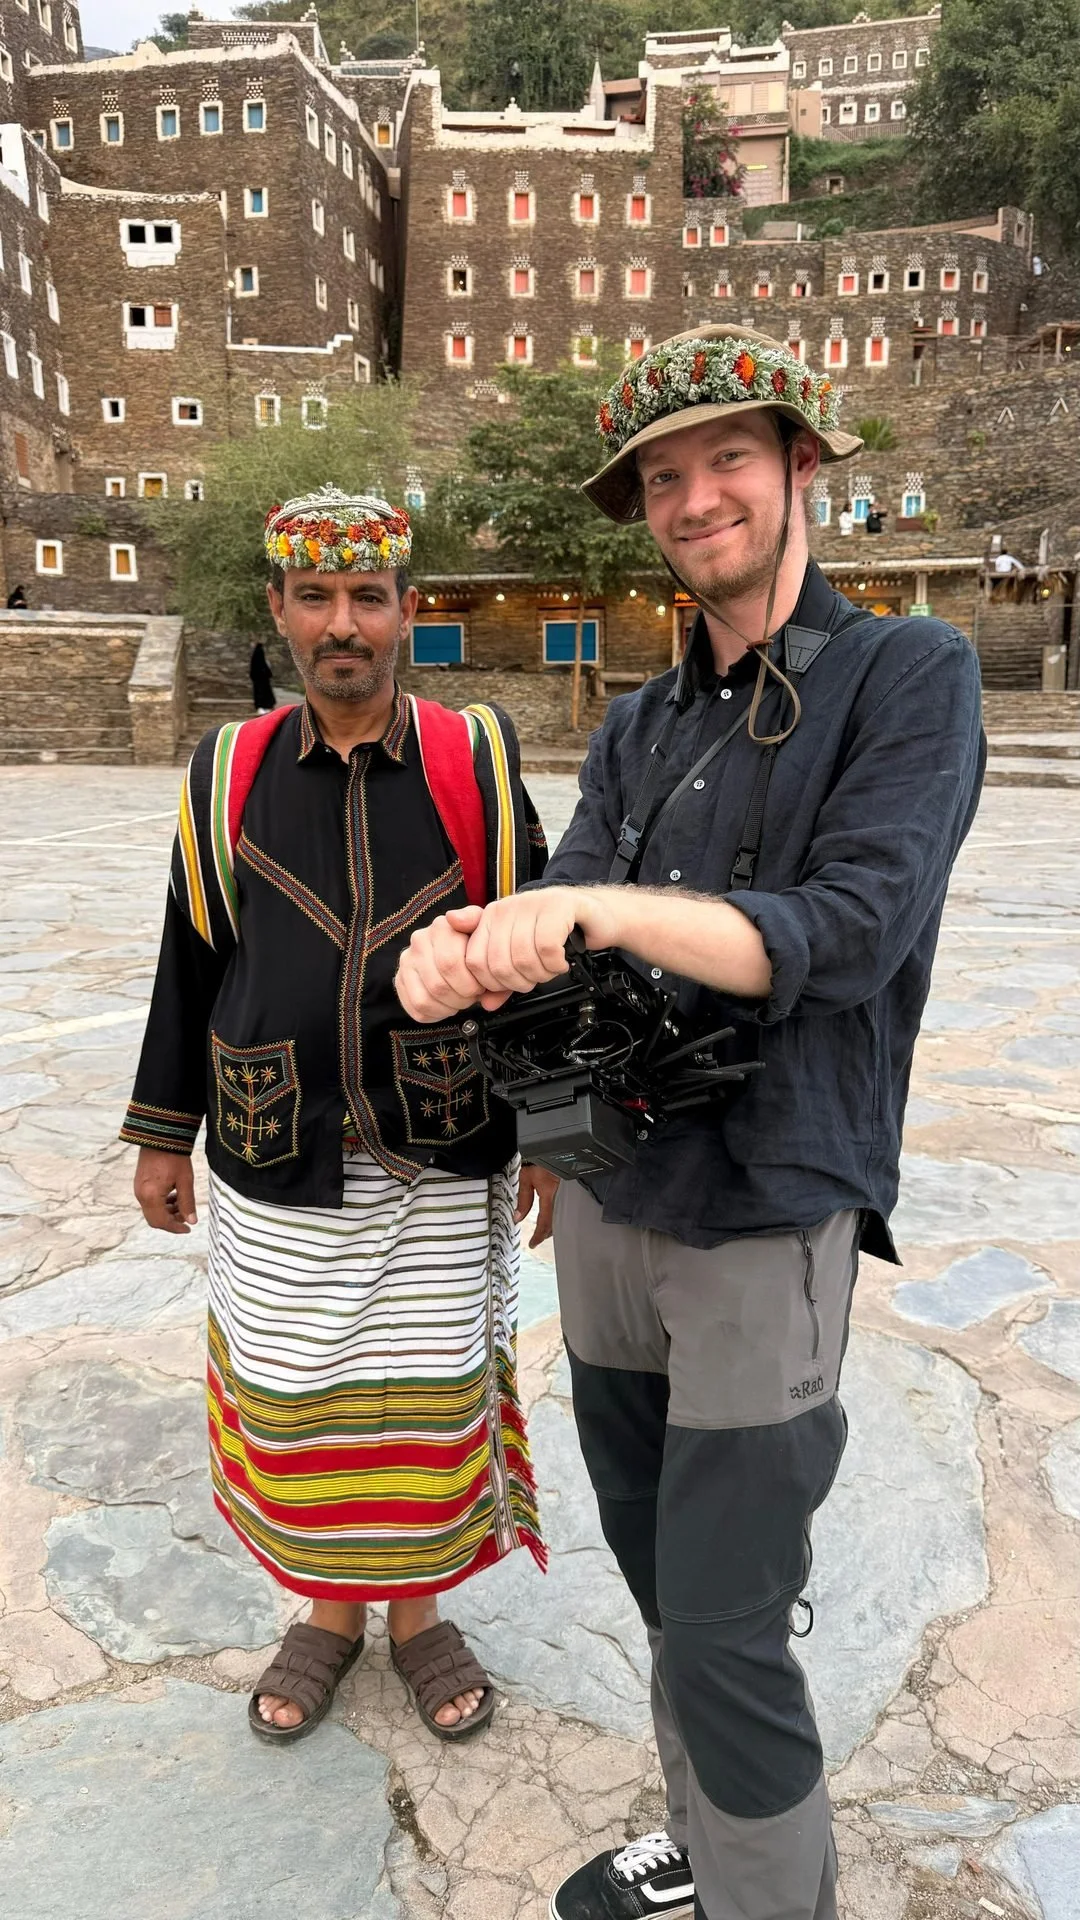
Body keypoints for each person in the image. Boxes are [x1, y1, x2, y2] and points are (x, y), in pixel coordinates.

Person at [395, 326, 985, 1920]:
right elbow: (570, 913)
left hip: (764, 1213)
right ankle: (711, 1843)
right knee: (666, 1586)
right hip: (610, 1202)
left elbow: (845, 933)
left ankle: (765, 1901)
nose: (696, 496)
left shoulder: (908, 674)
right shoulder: (651, 721)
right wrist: (466, 954)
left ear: (802, 466)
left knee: (729, 1620)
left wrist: (594, 907)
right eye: (665, 476)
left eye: (728, 458)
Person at [121, 485, 555, 1747]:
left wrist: (558, 1138)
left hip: (443, 1151)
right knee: (293, 1394)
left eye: (369, 597)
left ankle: (416, 1615)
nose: (343, 623)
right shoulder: (226, 773)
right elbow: (190, 959)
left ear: (410, 609)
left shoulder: (474, 761)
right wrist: (161, 1129)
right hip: (272, 1153)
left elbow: (538, 953)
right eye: (316, 597)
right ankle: (323, 1607)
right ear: (280, 609)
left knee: (421, 1402)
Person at [249, 637, 275, 712]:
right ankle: (263, 706)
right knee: (261, 692)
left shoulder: (257, 653)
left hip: (260, 678)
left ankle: (264, 706)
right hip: (261, 677)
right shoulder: (259, 652)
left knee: (261, 692)